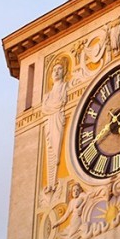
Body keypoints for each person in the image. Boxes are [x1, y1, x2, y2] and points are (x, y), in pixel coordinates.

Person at [42, 63, 67, 192]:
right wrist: (55, 106)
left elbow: (59, 103)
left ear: (64, 71)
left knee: (57, 151)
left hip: (58, 119)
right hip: (50, 122)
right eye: (54, 70)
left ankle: (54, 183)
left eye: (59, 69)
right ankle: (51, 184)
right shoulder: (46, 96)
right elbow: (45, 108)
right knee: (50, 149)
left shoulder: (65, 87)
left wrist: (53, 106)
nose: (56, 72)